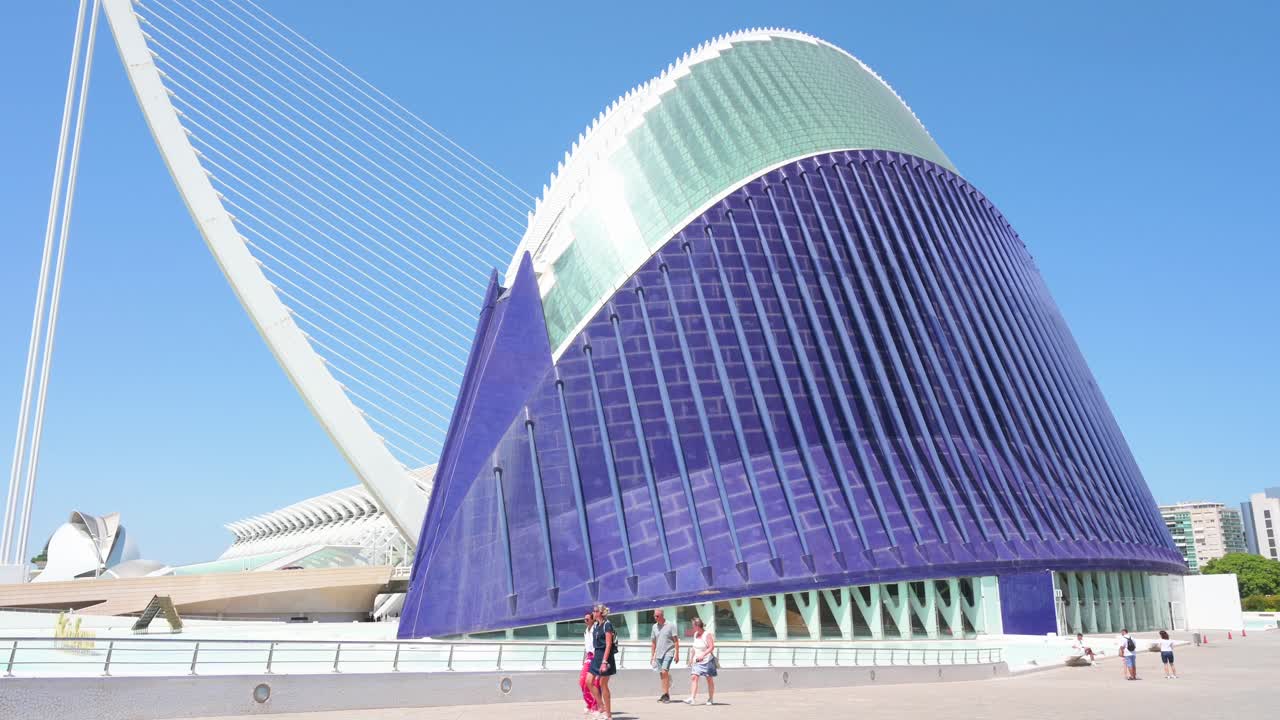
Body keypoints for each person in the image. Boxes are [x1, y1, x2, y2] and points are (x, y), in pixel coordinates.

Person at [588, 604, 618, 720]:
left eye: (595, 611)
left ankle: (608, 715)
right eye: (593, 611)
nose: (593, 613)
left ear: (600, 613)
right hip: (597, 656)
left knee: (603, 684)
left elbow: (609, 644)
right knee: (588, 681)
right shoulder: (596, 625)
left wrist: (604, 661)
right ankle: (601, 706)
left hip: (606, 657)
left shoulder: (607, 625)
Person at [684, 616, 717, 705]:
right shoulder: (695, 634)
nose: (692, 627)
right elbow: (694, 648)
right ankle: (692, 698)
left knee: (709, 679)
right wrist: (691, 659)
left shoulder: (707, 634)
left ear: (697, 626)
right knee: (694, 677)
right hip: (697, 661)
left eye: (693, 625)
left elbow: (711, 647)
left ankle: (710, 698)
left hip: (707, 661)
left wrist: (703, 654)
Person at [650, 609, 680, 703]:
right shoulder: (654, 627)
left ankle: (666, 695)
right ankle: (664, 693)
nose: (655, 618)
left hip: (669, 651)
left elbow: (675, 640)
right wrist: (652, 656)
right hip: (658, 653)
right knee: (662, 674)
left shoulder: (671, 625)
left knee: (664, 671)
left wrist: (677, 654)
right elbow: (653, 642)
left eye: (657, 616)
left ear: (662, 616)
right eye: (654, 616)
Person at [579, 611, 600, 718]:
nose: (585, 621)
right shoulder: (586, 632)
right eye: (585, 619)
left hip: (596, 658)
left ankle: (595, 706)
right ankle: (589, 703)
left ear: (593, 619)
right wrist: (584, 660)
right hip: (589, 658)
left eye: (587, 619)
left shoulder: (596, 630)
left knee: (594, 683)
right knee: (582, 682)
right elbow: (586, 648)